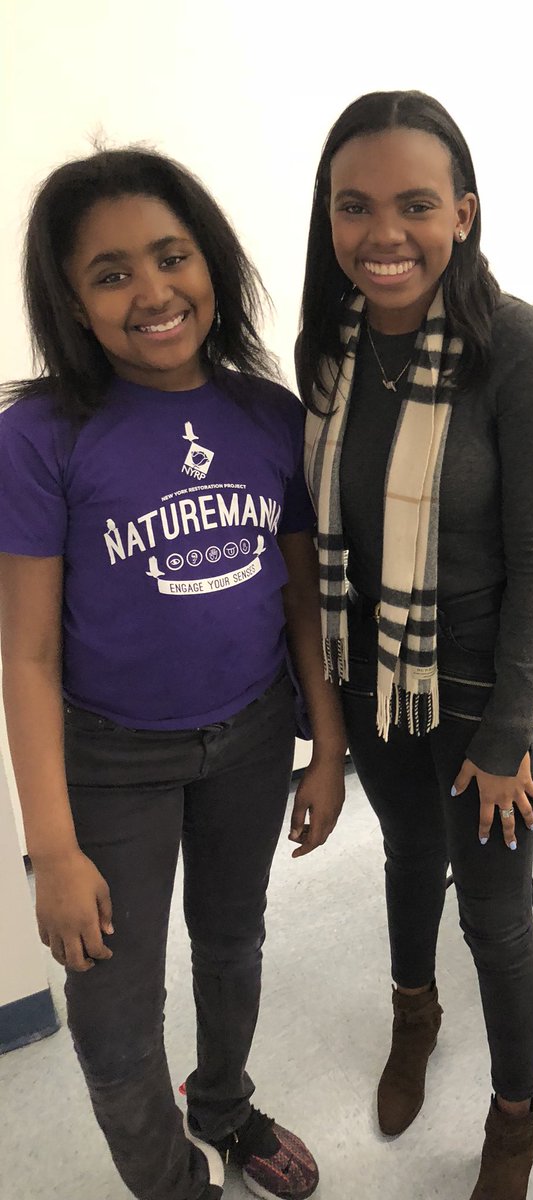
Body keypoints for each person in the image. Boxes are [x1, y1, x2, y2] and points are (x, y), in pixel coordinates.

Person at [0, 148, 347, 1200]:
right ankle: (174, 1188)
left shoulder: (269, 416)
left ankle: (228, 1109)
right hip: (108, 761)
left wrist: (327, 747)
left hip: (249, 739)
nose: (151, 292)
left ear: (212, 264)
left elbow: (299, 604)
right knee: (112, 1016)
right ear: (72, 300)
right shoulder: (40, 436)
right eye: (111, 274)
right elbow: (27, 650)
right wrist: (49, 847)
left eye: (171, 258)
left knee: (233, 942)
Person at [296, 92, 533, 1199]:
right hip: (375, 677)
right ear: (328, 218)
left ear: (463, 213)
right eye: (354, 206)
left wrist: (511, 732)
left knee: (496, 913)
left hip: (483, 684)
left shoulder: (519, 349)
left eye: (415, 204)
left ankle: (515, 1119)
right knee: (409, 859)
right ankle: (416, 1018)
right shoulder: (334, 349)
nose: (383, 232)